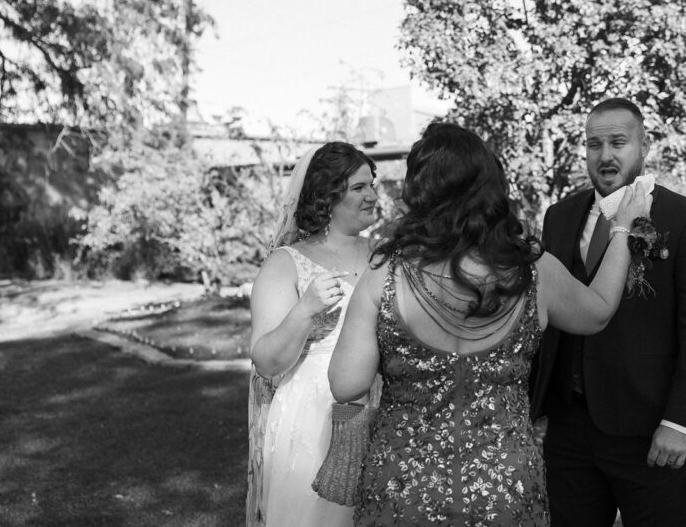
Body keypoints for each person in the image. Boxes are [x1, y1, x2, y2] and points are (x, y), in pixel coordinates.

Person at [328, 122, 650, 526]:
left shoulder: (385, 274)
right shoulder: (535, 273)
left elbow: (345, 384)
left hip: (404, 487)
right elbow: (599, 309)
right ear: (492, 189)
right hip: (503, 490)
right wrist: (623, 228)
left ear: (419, 193)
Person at [530, 98, 686, 527]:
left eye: (618, 142)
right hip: (568, 431)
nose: (605, 156)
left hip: (649, 430)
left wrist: (680, 423)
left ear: (643, 144)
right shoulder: (559, 217)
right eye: (593, 144)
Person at [245, 141, 380, 527]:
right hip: (312, 415)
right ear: (327, 196)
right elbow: (266, 360)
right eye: (359, 188)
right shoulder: (285, 263)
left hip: (383, 405)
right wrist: (305, 310)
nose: (373, 195)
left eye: (372, 185)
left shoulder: (386, 255)